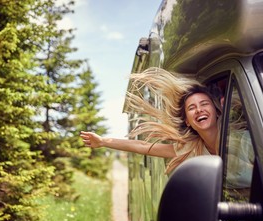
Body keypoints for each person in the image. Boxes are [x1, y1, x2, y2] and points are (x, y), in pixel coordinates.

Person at [80, 67, 222, 174]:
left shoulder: (241, 141)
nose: (199, 110)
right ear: (187, 122)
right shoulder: (192, 149)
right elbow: (142, 146)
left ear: (216, 110)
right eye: (192, 107)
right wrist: (103, 142)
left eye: (204, 104)